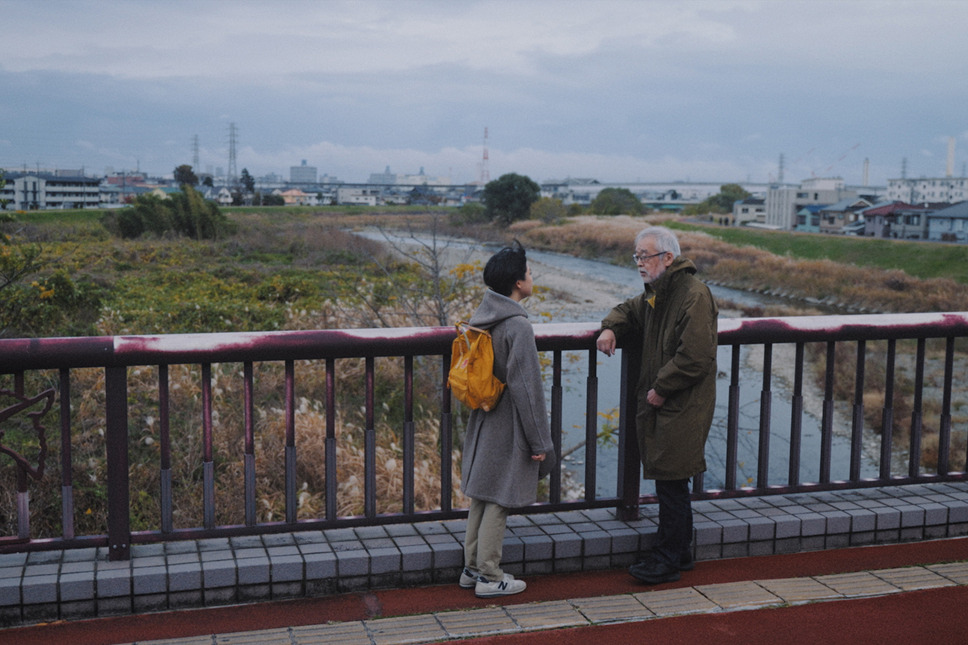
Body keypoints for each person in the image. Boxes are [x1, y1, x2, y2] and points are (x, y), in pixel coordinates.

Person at [596, 226, 718, 585]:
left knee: (671, 481)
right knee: (672, 481)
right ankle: (679, 552)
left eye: (644, 256)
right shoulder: (658, 294)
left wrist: (661, 388)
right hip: (672, 403)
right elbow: (627, 311)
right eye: (636, 256)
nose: (639, 263)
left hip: (682, 403)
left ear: (668, 257)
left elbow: (695, 356)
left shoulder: (693, 295)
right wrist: (609, 329)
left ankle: (667, 560)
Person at [458, 241, 556, 598]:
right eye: (529, 273)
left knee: (482, 496)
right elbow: (527, 391)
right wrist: (540, 442)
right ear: (518, 282)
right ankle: (489, 575)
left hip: (484, 417)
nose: (532, 277)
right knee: (499, 499)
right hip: (509, 424)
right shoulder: (517, 326)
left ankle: (471, 568)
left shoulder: (483, 317)